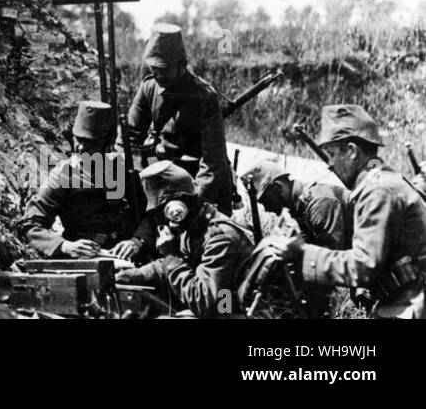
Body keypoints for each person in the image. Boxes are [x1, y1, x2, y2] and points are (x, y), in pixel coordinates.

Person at [258, 105, 426, 319]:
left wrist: (302, 253)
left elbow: (363, 267)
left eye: (332, 154)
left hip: (412, 303)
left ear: (352, 151)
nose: (329, 164)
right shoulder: (381, 183)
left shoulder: (378, 191)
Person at [115, 160, 254, 317]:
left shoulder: (220, 239)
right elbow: (177, 264)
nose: (159, 220)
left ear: (176, 208)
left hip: (229, 310)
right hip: (218, 306)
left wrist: (170, 256)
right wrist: (134, 276)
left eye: (160, 211)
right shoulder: (194, 225)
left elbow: (205, 302)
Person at [126, 23, 235, 213]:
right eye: (154, 68)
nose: (158, 75)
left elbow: (213, 161)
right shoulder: (148, 88)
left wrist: (195, 204)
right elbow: (130, 136)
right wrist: (132, 178)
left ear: (181, 65)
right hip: (166, 175)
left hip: (200, 180)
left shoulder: (204, 96)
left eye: (164, 69)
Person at [16, 101, 138, 258]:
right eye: (78, 139)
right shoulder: (64, 174)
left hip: (125, 255)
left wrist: (137, 241)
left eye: (90, 143)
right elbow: (31, 224)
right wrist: (65, 246)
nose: (80, 147)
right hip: (84, 256)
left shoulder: (120, 170)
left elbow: (144, 216)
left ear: (107, 143)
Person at [239, 158, 349, 314]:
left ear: (277, 187)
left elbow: (329, 263)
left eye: (265, 200)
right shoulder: (297, 209)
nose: (267, 209)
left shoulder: (320, 204)